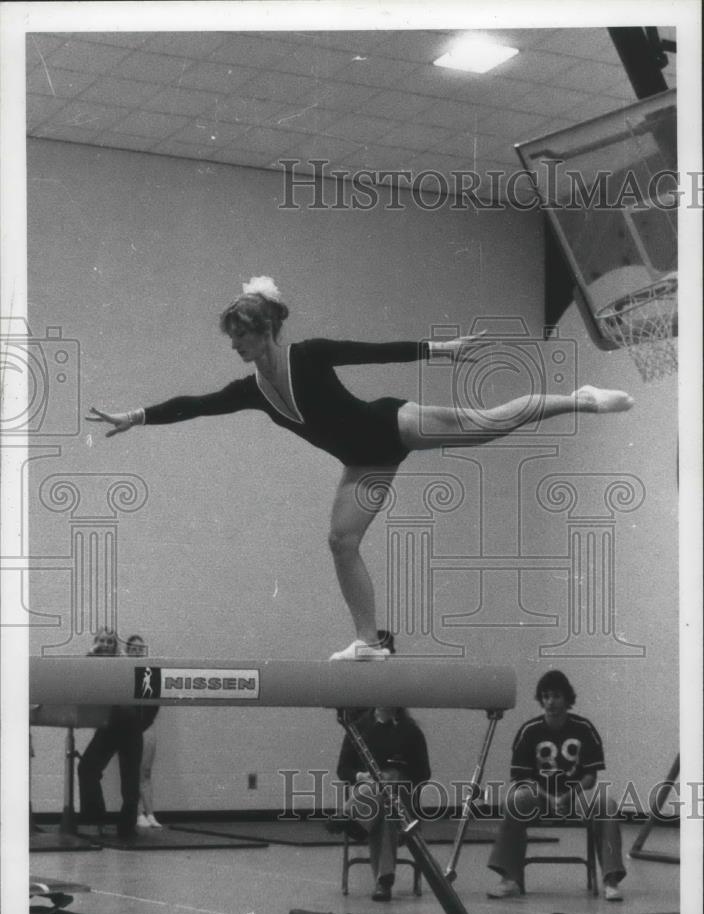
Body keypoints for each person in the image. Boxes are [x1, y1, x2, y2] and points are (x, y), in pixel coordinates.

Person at [86, 276, 634, 660]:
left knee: (487, 424)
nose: (235, 344)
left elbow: (375, 351)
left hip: (390, 425)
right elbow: (195, 404)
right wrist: (137, 416)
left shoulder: (311, 354)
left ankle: (578, 398)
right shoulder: (250, 392)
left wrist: (440, 350)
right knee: (341, 542)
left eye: (242, 334)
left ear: (265, 330)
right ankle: (369, 643)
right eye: (231, 336)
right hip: (364, 462)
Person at [487, 669, 627, 902]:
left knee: (606, 804)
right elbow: (522, 779)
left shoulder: (584, 729)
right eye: (546, 696)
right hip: (539, 796)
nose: (550, 702)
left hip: (576, 795)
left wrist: (569, 795)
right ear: (541, 699)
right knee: (514, 801)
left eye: (556, 696)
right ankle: (509, 879)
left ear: (567, 698)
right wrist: (549, 798)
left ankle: (610, 881)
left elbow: (591, 776)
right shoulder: (529, 731)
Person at [333, 705, 431, 902]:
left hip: (397, 801)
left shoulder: (410, 731)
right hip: (374, 797)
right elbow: (343, 769)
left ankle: (351, 815)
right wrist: (361, 775)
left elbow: (423, 774)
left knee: (389, 780)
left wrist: (398, 773)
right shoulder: (359, 728)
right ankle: (383, 881)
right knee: (387, 806)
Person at [77, 628, 143, 841]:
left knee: (130, 781)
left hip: (130, 727)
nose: (105, 644)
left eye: (109, 641)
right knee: (86, 768)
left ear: (115, 645)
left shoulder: (123, 662)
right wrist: (90, 651)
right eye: (102, 641)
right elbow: (77, 675)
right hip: (109, 727)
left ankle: (127, 828)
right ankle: (95, 819)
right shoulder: (94, 664)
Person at [126, 634, 162, 830]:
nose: (137, 652)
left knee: (145, 771)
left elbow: (154, 704)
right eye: (133, 649)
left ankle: (150, 813)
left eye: (141, 649)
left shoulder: (150, 674)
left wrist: (143, 724)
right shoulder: (122, 673)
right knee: (132, 771)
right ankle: (138, 813)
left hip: (146, 725)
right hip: (129, 727)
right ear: (127, 651)